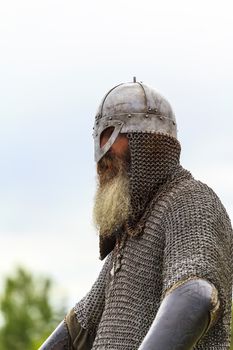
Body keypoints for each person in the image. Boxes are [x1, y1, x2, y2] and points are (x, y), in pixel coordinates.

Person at [39, 79, 233, 349]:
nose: (101, 151)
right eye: (98, 137)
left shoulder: (190, 201)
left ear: (148, 142)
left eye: (110, 134)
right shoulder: (130, 236)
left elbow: (195, 296)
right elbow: (78, 330)